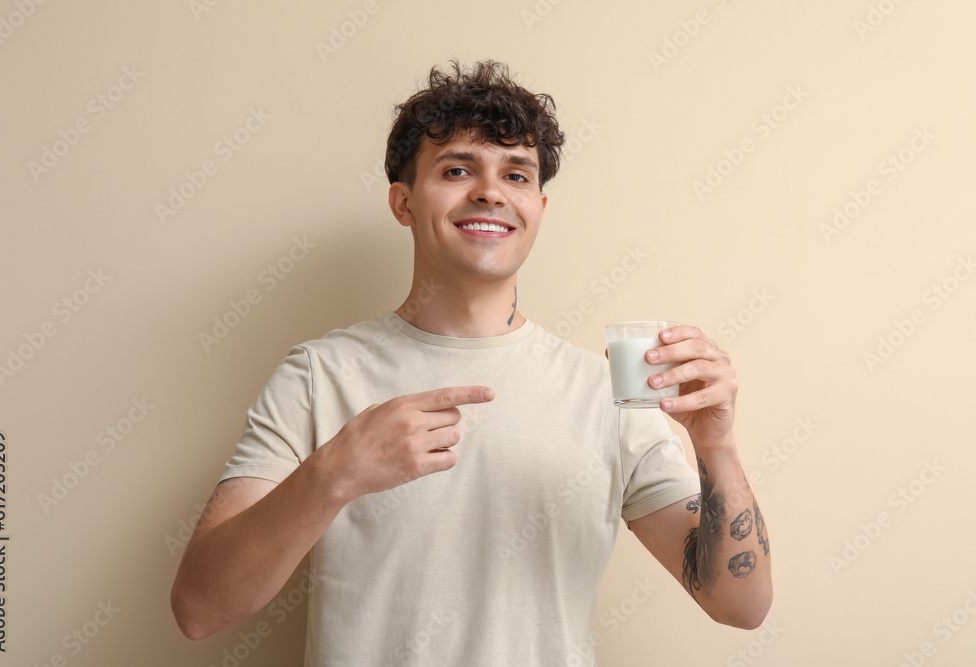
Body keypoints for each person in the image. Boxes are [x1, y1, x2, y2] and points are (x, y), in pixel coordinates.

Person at [171, 59, 772, 665]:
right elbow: (199, 609)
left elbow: (739, 606)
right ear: (402, 203)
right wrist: (335, 475)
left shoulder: (608, 391)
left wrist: (715, 444)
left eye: (515, 174)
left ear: (538, 209)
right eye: (457, 169)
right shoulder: (317, 375)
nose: (489, 191)